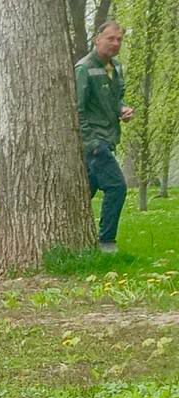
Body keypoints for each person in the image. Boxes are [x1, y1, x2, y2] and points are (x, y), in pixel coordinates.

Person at [75, 21, 134, 253]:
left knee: (84, 191)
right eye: (111, 38)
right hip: (95, 142)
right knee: (117, 187)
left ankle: (68, 238)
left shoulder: (116, 67)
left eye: (119, 39)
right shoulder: (84, 68)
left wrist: (123, 110)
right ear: (97, 39)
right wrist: (91, 142)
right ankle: (106, 242)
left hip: (109, 139)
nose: (116, 43)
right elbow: (77, 109)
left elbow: (115, 98)